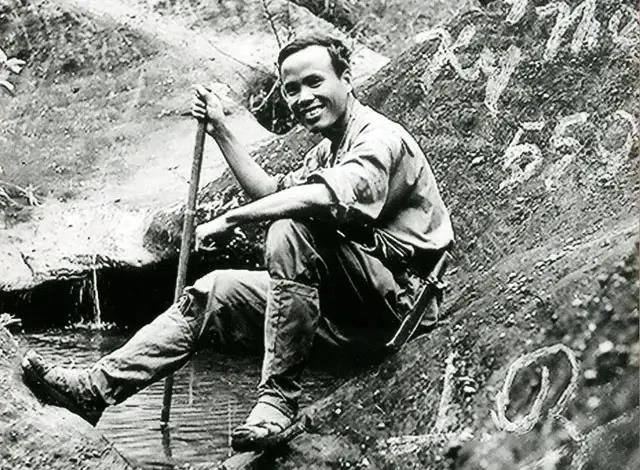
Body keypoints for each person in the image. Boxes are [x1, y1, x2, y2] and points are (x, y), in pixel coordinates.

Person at [21, 34, 454, 451]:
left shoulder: (379, 138)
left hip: (398, 311)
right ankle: (95, 390)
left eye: (315, 82)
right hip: (346, 308)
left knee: (291, 225)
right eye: (291, 89)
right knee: (216, 292)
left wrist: (232, 218)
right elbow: (271, 192)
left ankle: (277, 402)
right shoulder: (327, 151)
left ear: (347, 78)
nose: (303, 97)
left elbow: (322, 197)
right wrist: (221, 129)